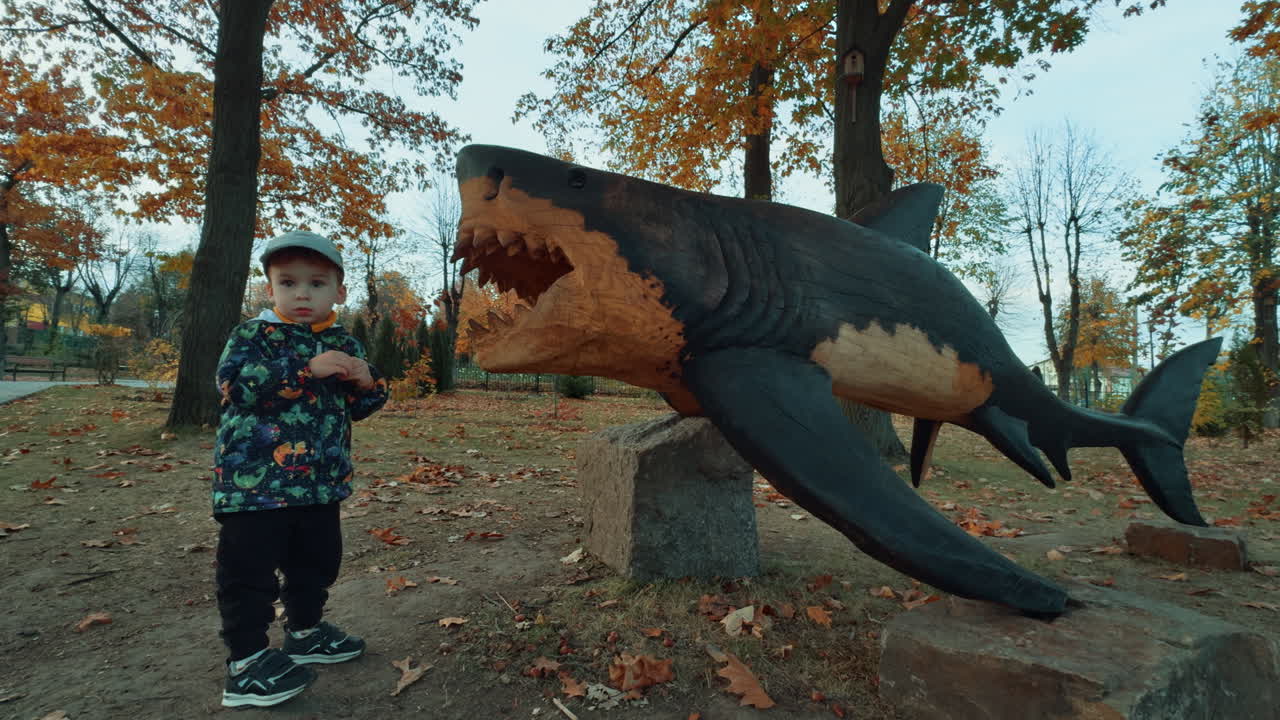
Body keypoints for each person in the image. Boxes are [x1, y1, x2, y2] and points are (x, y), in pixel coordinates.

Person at [211, 230, 388, 708]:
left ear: (339, 292)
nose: (302, 293)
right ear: (271, 290)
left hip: (320, 483)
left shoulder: (341, 340)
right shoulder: (253, 334)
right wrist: (306, 369)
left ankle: (305, 632)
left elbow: (358, 407)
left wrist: (368, 381)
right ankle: (245, 663)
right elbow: (234, 387)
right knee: (249, 573)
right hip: (255, 486)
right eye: (288, 283)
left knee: (316, 563)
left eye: (316, 283)